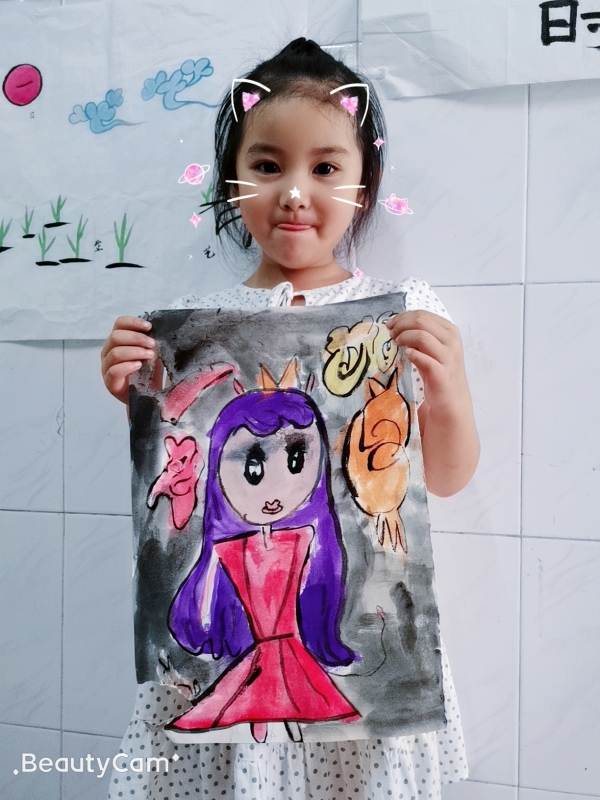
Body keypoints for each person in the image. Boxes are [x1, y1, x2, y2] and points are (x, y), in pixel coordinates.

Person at [101, 36, 479, 800]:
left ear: (363, 186)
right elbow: (173, 498)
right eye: (268, 165)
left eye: (326, 168)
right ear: (232, 181)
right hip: (223, 656)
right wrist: (135, 394)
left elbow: (443, 477)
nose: (296, 193)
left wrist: (447, 388)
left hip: (360, 662)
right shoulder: (189, 330)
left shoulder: (403, 314)